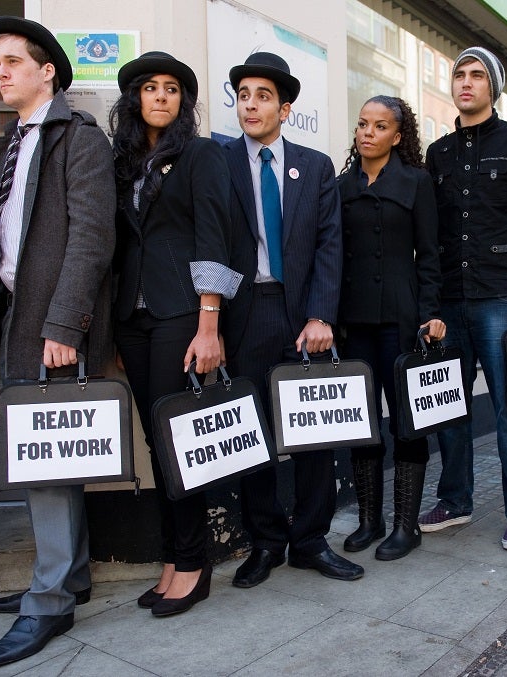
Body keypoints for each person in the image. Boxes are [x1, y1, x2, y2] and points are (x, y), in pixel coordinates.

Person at [0, 17, 115, 666]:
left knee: (48, 466)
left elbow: (91, 238)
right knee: (42, 462)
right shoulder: (13, 139)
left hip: (52, 325)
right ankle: (69, 573)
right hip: (17, 321)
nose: (0, 70)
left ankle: (50, 599)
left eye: (11, 60)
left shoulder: (77, 138)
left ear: (47, 70)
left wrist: (64, 326)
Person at [221, 52, 363, 586]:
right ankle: (265, 542)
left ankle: (309, 540)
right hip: (246, 310)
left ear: (285, 108)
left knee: (315, 431)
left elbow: (331, 243)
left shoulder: (315, 165)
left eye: (263, 96)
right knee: (250, 430)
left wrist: (321, 314)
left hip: (303, 312)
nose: (251, 104)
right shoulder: (221, 161)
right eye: (244, 95)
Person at [109, 51, 241, 616]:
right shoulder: (125, 162)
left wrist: (209, 322)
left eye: (171, 88)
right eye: (150, 88)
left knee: (177, 443)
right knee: (156, 444)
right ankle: (172, 556)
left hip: (181, 315)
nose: (161, 96)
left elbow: (215, 234)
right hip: (133, 318)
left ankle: (193, 562)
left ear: (183, 101)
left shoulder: (201, 153)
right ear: (135, 98)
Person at [419, 46, 507, 552]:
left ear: (493, 87)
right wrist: (430, 304)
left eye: (477, 76)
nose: (466, 83)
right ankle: (455, 500)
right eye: (460, 75)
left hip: (504, 295)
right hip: (451, 297)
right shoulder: (440, 153)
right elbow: (430, 236)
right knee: (448, 405)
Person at [336, 95, 444, 560]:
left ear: (397, 137)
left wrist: (430, 313)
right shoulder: (341, 186)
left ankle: (406, 526)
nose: (367, 133)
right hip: (353, 322)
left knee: (405, 422)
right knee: (362, 423)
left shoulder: (417, 183)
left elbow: (431, 256)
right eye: (362, 124)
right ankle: (368, 520)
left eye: (379, 126)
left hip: (403, 320)